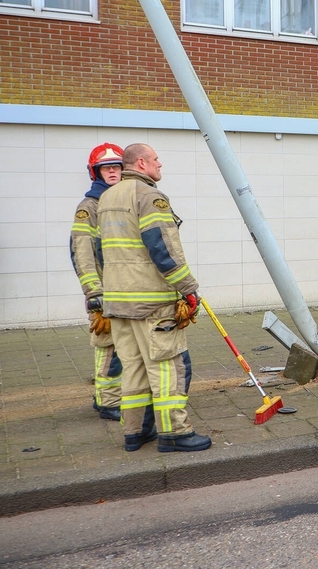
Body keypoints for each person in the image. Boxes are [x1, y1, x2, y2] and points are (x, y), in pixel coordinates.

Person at [98, 143, 211, 453]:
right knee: (167, 367)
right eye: (157, 159)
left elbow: (99, 250)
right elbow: (162, 247)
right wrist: (188, 287)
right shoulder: (150, 197)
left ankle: (135, 432)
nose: (161, 165)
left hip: (118, 303)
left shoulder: (107, 198)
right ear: (142, 162)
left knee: (132, 369)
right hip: (151, 303)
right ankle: (174, 432)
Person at [71, 143, 125, 421]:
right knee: (109, 346)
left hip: (127, 290)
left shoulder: (123, 201)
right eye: (107, 167)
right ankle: (108, 403)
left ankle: (107, 397)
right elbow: (82, 252)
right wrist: (94, 292)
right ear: (96, 172)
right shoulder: (89, 207)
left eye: (116, 166)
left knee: (122, 346)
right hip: (105, 292)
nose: (113, 171)